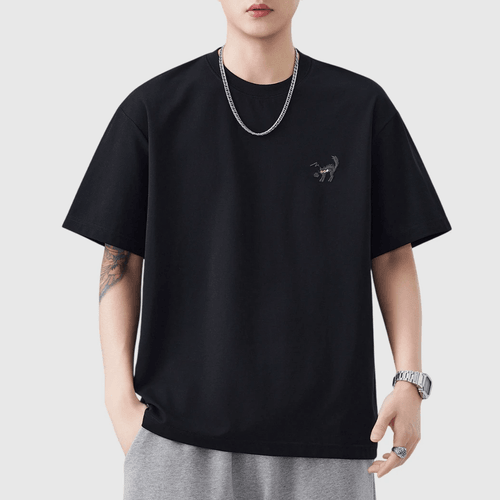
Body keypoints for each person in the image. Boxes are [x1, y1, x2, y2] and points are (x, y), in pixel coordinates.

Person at [61, 1, 452, 499]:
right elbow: (121, 260)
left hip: (327, 445)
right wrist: (119, 402)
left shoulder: (360, 107)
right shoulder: (154, 110)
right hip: (178, 441)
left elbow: (393, 254)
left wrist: (409, 381)